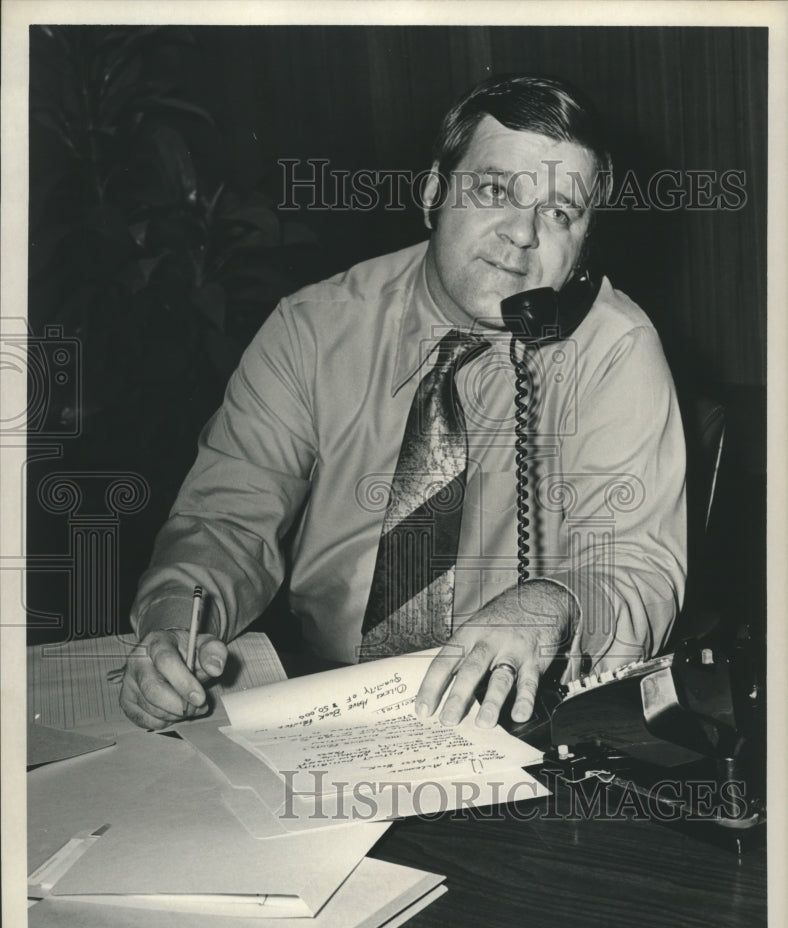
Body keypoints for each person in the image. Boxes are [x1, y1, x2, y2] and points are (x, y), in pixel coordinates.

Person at [120, 74, 686, 733]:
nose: (522, 234)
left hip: (520, 715)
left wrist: (554, 602)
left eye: (560, 213)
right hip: (325, 702)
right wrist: (171, 623)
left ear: (585, 245)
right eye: (495, 190)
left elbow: (637, 565)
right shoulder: (313, 329)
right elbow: (226, 523)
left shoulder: (614, 347)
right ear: (432, 193)